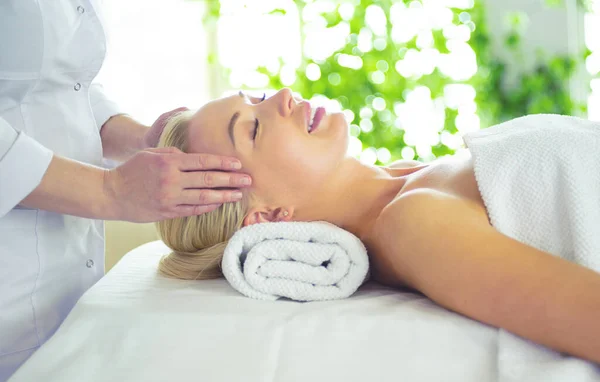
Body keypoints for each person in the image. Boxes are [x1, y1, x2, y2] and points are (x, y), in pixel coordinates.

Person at [153, 88, 600, 365]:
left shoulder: (405, 176)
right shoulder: (413, 224)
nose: (282, 97)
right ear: (269, 217)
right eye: (252, 128)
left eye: (255, 97)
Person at [0, 2, 251, 379]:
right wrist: (110, 189)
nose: (284, 95)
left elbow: (64, 86)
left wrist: (142, 137)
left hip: (63, 296)